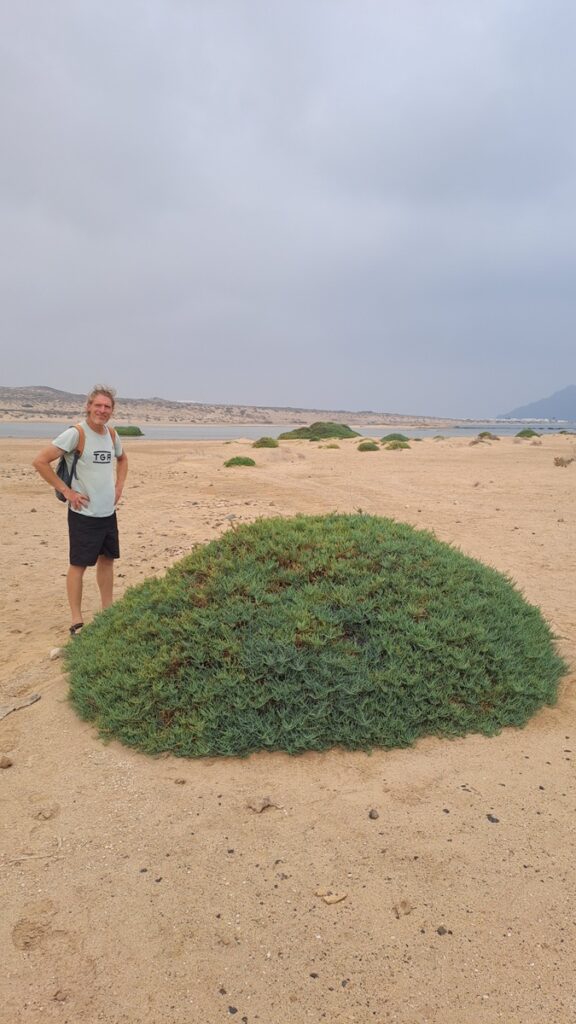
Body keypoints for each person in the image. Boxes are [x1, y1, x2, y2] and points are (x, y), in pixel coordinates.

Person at [32, 385, 128, 635]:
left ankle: (108, 612)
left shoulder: (112, 434)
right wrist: (67, 492)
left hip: (108, 513)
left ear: (112, 410)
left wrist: (118, 487)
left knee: (107, 561)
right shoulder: (76, 433)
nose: (102, 410)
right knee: (78, 565)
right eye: (98, 405)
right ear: (88, 406)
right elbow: (40, 461)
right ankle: (77, 620)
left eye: (107, 407)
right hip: (83, 514)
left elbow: (123, 459)